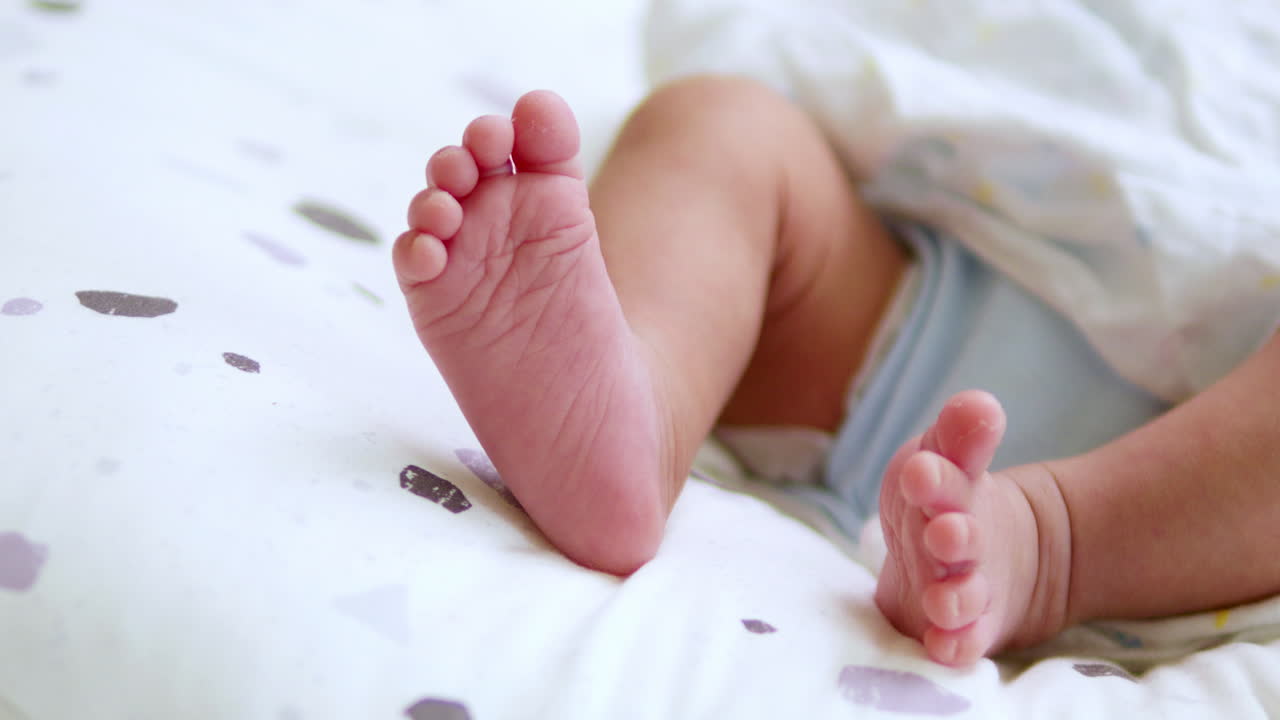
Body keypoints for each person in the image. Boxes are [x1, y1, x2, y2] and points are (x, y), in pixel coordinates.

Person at [390, 76, 1280, 667]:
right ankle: (639, 401)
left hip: (1190, 503)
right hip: (924, 301)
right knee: (721, 124)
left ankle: (1052, 545)